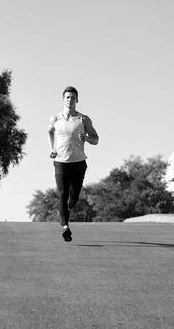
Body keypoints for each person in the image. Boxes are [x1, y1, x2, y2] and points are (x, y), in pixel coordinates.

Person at [47, 86, 99, 242]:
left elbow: (96, 139)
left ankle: (67, 210)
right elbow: (50, 131)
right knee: (62, 194)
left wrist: (86, 138)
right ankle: (65, 227)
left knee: (73, 198)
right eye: (67, 97)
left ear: (77, 100)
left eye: (73, 97)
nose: (70, 100)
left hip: (78, 163)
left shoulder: (83, 119)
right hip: (61, 163)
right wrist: (52, 148)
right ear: (63, 99)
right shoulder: (55, 119)